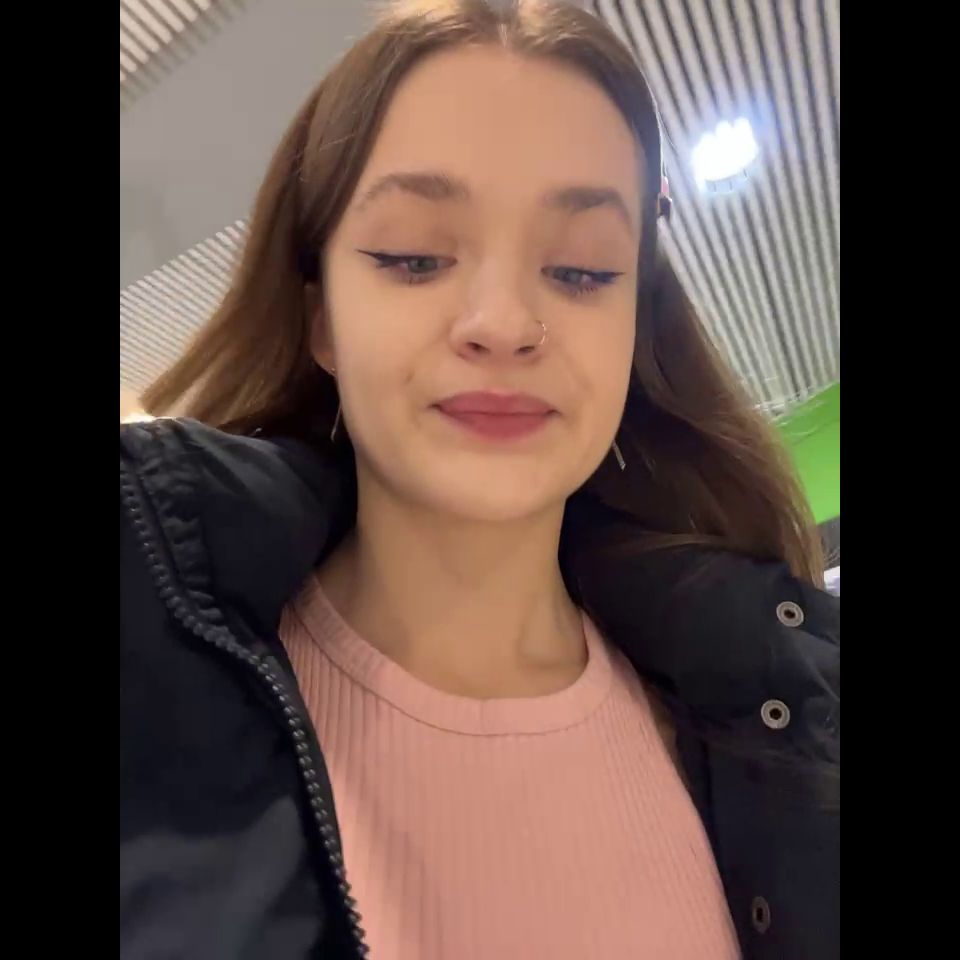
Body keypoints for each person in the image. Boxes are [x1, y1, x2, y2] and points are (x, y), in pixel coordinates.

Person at [120, 2, 839, 958]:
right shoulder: (155, 720)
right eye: (414, 258)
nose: (502, 323)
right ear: (321, 317)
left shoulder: (784, 718)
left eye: (582, 271)